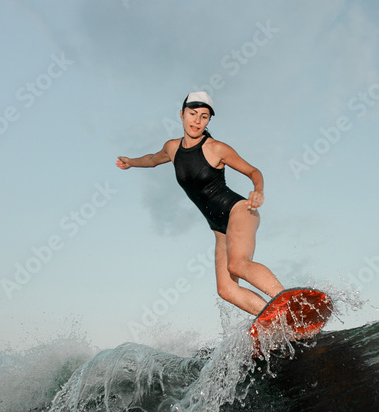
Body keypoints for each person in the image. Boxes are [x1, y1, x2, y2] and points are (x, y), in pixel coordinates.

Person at [117, 92, 284, 316]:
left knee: (237, 264)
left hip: (239, 211)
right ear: (182, 114)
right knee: (226, 289)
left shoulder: (216, 148)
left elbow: (253, 171)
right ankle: (277, 319)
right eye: (192, 114)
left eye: (204, 117)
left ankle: (289, 300)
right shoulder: (172, 148)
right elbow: (151, 160)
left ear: (208, 121)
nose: (197, 121)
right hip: (218, 228)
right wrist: (131, 162)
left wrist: (258, 190)